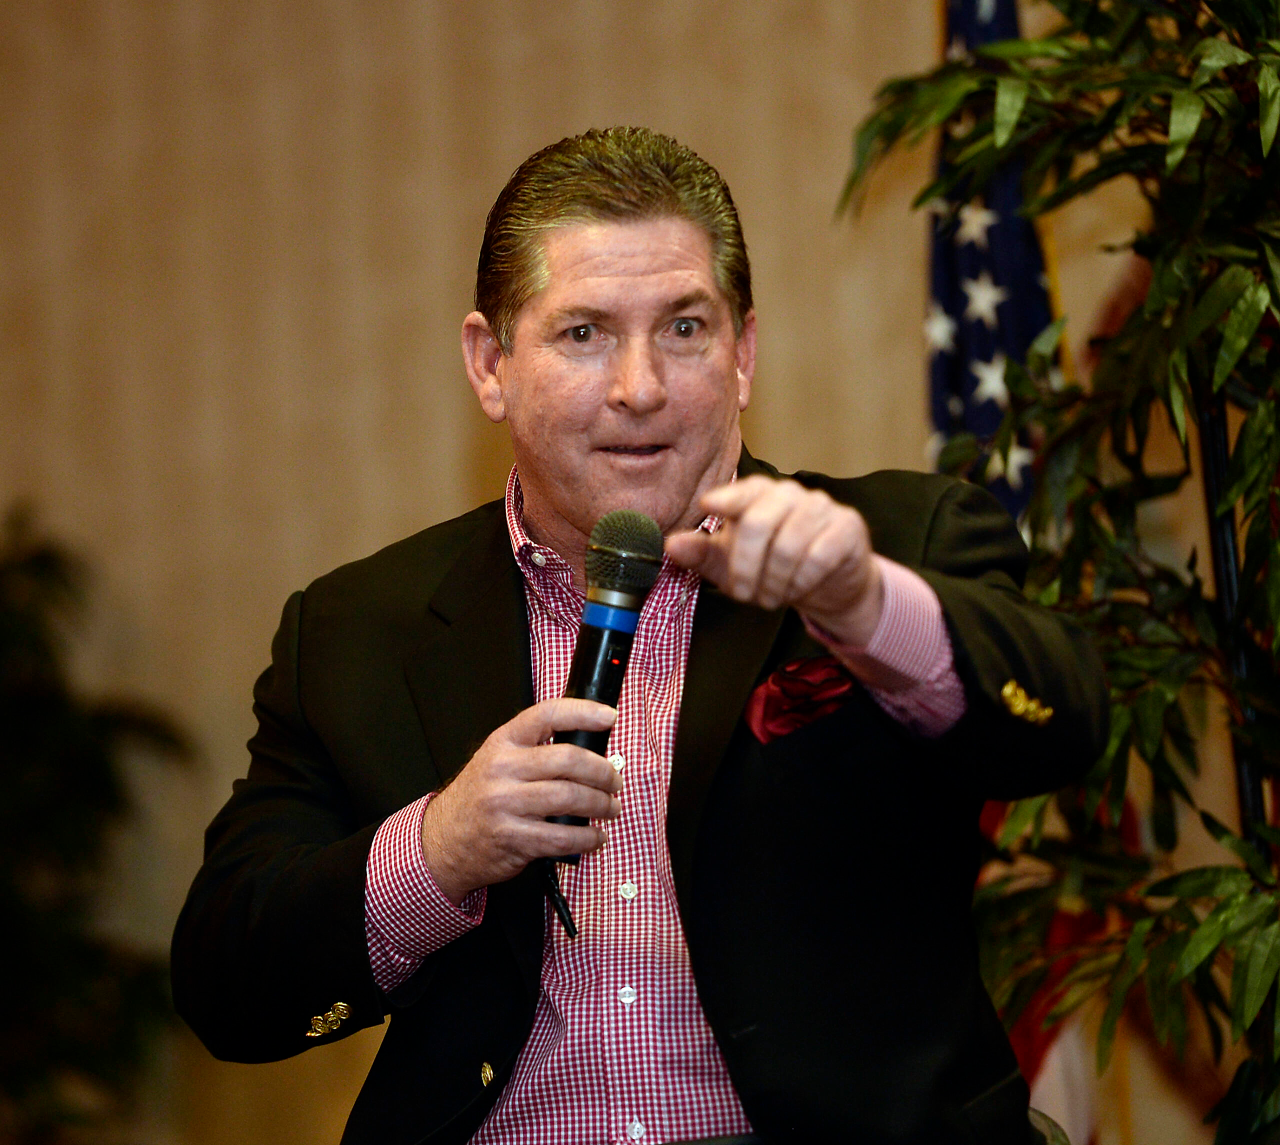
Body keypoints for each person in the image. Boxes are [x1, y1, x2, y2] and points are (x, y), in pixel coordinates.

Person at [172, 127, 1106, 1145]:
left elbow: (1064, 721)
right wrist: (438, 851)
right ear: (490, 364)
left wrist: (861, 602)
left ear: (743, 354)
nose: (640, 386)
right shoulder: (356, 629)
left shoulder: (892, 547)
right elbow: (229, 986)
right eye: (583, 333)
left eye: (684, 328)